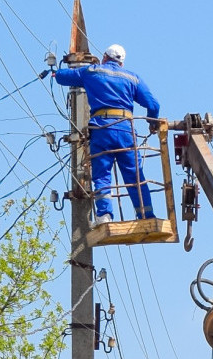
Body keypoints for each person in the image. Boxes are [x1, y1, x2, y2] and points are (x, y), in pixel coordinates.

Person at [54, 44, 161, 224]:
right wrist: (152, 122)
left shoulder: (91, 72)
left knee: (102, 173)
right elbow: (153, 105)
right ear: (121, 62)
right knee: (135, 176)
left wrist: (54, 72)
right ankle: (146, 215)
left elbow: (62, 77)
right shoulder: (132, 78)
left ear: (104, 57)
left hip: (101, 128)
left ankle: (104, 215)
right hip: (125, 129)